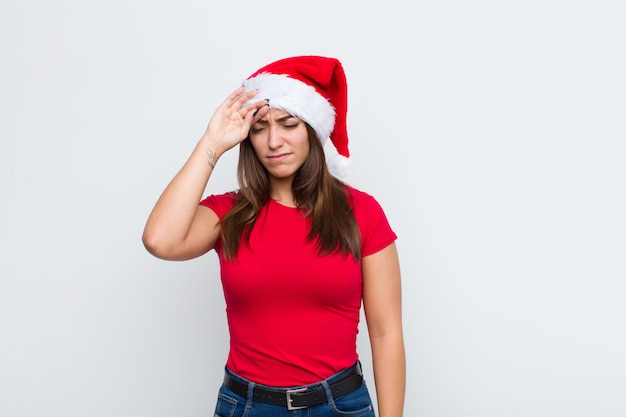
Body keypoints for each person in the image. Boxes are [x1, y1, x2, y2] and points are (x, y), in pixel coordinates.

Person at [142, 55, 405, 417]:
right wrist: (213, 142)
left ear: (312, 128)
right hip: (249, 407)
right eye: (260, 127)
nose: (273, 141)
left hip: (340, 405)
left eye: (288, 123)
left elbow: (386, 332)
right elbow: (160, 240)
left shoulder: (361, 212)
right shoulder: (229, 213)